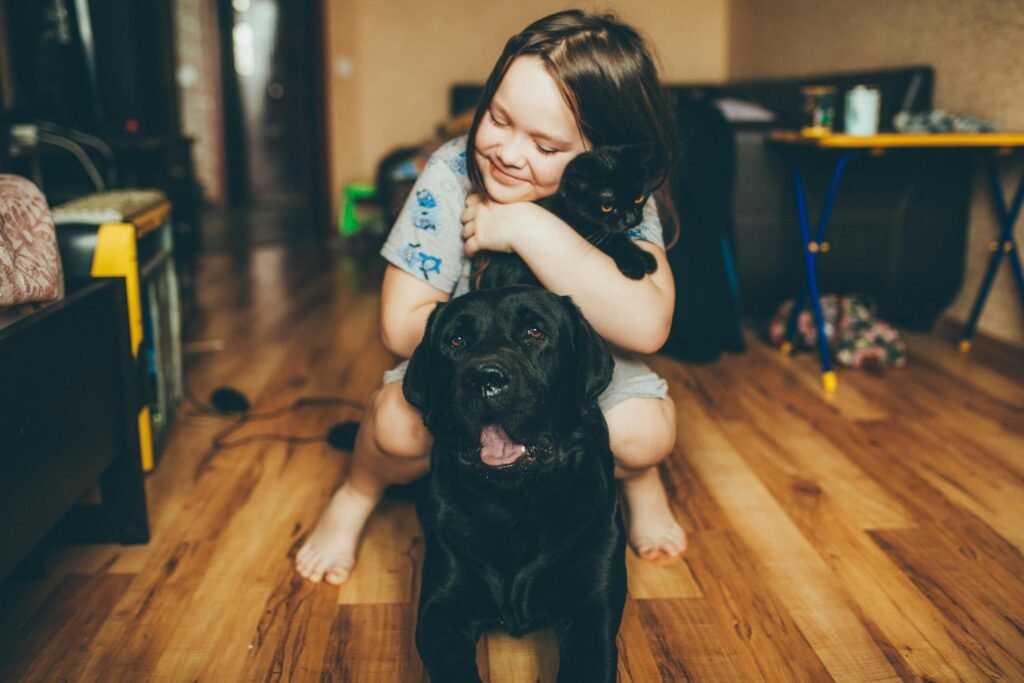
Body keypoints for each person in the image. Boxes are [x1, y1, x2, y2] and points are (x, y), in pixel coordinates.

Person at [296, 9, 686, 585]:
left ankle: (638, 480)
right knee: (395, 429)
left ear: (602, 153)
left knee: (645, 432)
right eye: (499, 118)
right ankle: (357, 492)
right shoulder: (452, 173)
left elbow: (649, 325)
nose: (507, 151)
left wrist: (525, 227)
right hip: (467, 367)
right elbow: (402, 327)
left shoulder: (616, 187)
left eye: (547, 146)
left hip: (569, 373)